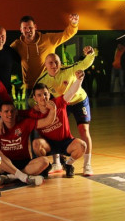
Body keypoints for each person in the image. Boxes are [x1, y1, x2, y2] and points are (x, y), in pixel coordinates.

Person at [35, 47, 97, 176]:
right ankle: (57, 163)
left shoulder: (68, 70)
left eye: (56, 62)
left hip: (78, 100)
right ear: (45, 65)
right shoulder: (42, 80)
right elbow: (34, 96)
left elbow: (84, 64)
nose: (54, 65)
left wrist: (90, 54)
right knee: (56, 131)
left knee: (84, 130)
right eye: (50, 63)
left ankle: (87, 165)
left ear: (61, 63)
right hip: (62, 103)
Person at [30, 71, 87, 178]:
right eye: (39, 95)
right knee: (36, 143)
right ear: (35, 98)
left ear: (49, 94)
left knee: (82, 146)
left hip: (66, 142)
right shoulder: (33, 113)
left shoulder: (59, 102)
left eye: (45, 94)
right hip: (49, 144)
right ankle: (46, 167)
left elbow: (71, 91)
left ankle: (68, 164)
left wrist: (79, 79)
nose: (43, 97)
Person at [9, 14, 79, 94]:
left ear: (35, 27)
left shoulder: (48, 39)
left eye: (30, 27)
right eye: (25, 28)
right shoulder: (17, 44)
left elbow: (66, 34)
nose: (28, 30)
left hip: (48, 85)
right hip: (29, 88)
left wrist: (74, 23)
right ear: (21, 30)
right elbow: (5, 53)